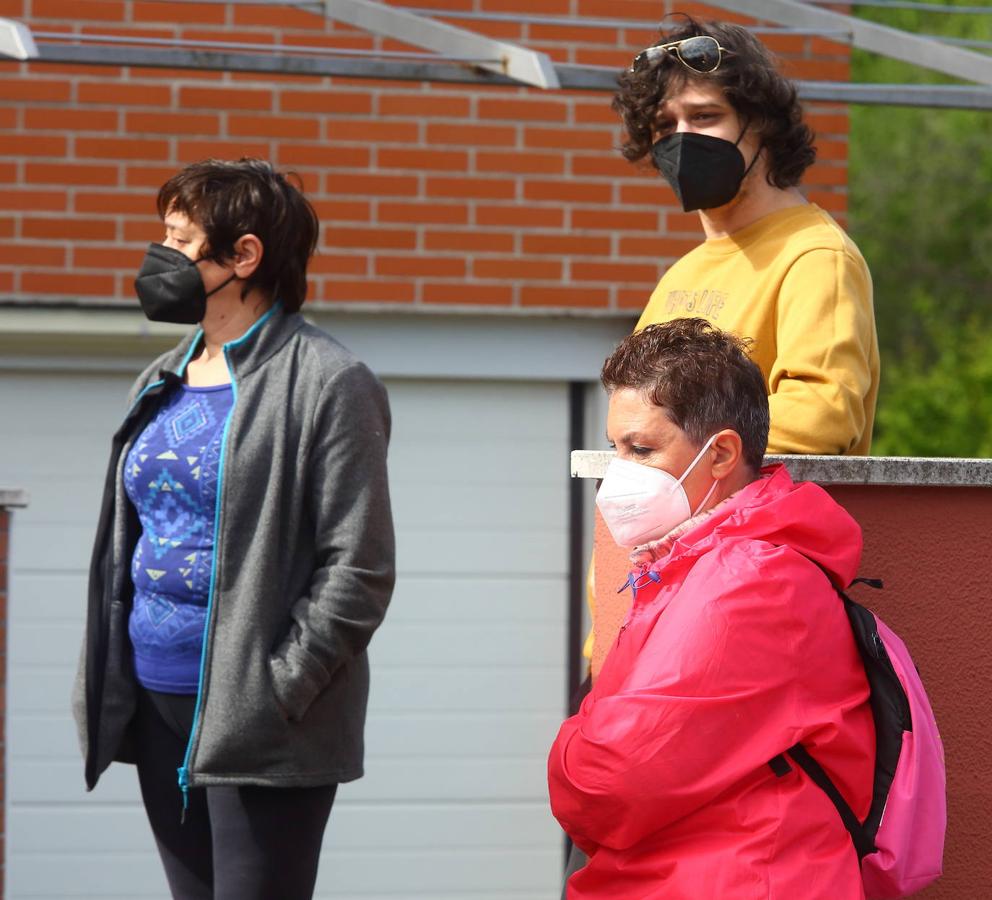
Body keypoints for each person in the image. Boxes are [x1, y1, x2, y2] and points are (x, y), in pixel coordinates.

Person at [72, 158, 395, 900]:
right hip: (157, 700)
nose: (161, 256)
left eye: (181, 239)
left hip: (263, 725)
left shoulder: (330, 382)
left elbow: (360, 568)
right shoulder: (161, 376)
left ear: (243, 256)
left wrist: (275, 689)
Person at [549, 319, 875, 899]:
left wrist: (569, 744)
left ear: (721, 453)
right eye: (614, 448)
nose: (617, 473)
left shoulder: (749, 583)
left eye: (641, 449)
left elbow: (606, 783)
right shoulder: (691, 561)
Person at [614, 18, 879, 455]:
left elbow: (822, 417)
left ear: (762, 125)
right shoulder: (683, 274)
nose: (682, 139)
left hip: (766, 524)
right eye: (665, 125)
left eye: (704, 116)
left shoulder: (815, 257)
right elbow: (630, 425)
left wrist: (676, 445)